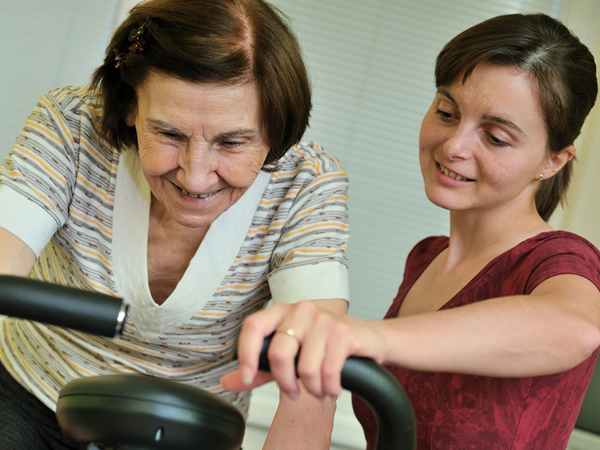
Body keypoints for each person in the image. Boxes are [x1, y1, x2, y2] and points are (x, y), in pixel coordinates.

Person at [223, 13, 600, 449]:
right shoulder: (426, 259)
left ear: (554, 160)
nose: (454, 146)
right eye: (446, 112)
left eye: (495, 137)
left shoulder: (558, 260)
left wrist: (365, 337)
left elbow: (576, 328)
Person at [0, 0, 350, 448]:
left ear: (275, 131)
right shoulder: (72, 126)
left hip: (189, 423)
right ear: (130, 106)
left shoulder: (307, 183)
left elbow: (311, 374)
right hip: (31, 393)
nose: (195, 174)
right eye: (169, 134)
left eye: (232, 142)